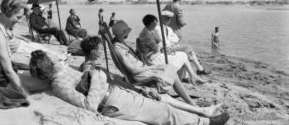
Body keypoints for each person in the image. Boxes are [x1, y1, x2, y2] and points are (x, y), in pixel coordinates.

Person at [29, 49, 230, 125]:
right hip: (112, 102)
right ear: (50, 64)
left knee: (163, 107)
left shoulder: (63, 73)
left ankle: (202, 118)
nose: (59, 56)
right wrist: (97, 78)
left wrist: (92, 72)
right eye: (54, 57)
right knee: (164, 112)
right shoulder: (59, 84)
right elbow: (89, 106)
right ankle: (205, 124)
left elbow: (87, 83)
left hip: (115, 95)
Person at [138, 15, 206, 84]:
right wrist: (160, 45)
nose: (156, 24)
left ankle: (192, 76)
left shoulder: (149, 30)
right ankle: (190, 77)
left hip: (156, 55)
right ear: (150, 23)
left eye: (157, 22)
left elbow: (159, 42)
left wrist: (160, 45)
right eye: (155, 22)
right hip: (153, 59)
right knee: (182, 56)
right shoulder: (145, 34)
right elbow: (157, 48)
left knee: (183, 55)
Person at [0, 0, 28, 96]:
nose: (19, 21)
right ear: (8, 12)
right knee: (40, 81)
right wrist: (23, 93)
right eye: (18, 17)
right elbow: (8, 70)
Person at [154, 11, 211, 75]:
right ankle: (199, 69)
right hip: (166, 50)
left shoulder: (169, 29)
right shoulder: (158, 28)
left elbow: (176, 39)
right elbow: (164, 41)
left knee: (189, 52)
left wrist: (171, 40)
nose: (168, 20)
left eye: (169, 18)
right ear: (161, 18)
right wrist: (171, 40)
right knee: (188, 48)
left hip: (172, 47)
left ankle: (190, 74)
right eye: (166, 18)